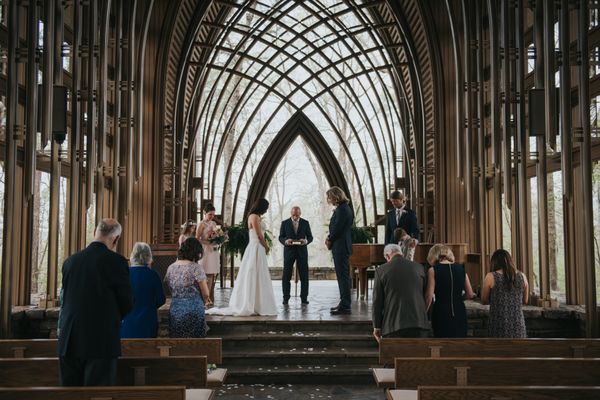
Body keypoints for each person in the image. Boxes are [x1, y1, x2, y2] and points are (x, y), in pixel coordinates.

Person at [57, 218, 132, 386]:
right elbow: (126, 302)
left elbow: (65, 298)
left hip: (69, 340)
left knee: (70, 394)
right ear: (116, 239)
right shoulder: (116, 262)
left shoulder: (70, 262)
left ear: (94, 233)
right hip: (101, 339)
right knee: (98, 394)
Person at [207, 198, 278, 316]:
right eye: (266, 208)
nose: (266, 210)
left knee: (259, 274)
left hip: (257, 247)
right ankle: (252, 303)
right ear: (261, 207)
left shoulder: (255, 216)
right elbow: (259, 235)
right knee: (253, 273)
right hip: (256, 246)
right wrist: (266, 246)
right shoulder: (254, 216)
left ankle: (258, 304)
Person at [372, 244, 430, 342]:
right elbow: (426, 296)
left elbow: (377, 302)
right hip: (419, 324)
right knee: (418, 356)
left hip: (393, 325)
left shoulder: (380, 271)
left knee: (394, 356)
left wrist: (377, 326)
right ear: (401, 253)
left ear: (387, 256)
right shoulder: (419, 267)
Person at [165, 237, 212, 337]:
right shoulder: (196, 268)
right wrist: (207, 301)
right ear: (196, 252)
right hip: (194, 310)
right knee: (195, 342)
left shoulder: (171, 267)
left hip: (175, 310)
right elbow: (206, 293)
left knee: (177, 340)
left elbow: (170, 289)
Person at [425, 244, 475, 337]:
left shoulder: (433, 270)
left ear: (433, 255)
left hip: (441, 311)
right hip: (459, 310)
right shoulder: (461, 269)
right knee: (459, 344)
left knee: (442, 344)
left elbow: (429, 296)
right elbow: (470, 294)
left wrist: (423, 313)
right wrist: (458, 298)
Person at [120, 242, 166, 338]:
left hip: (126, 321)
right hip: (148, 321)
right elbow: (161, 300)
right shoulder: (153, 275)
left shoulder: (124, 274)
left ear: (133, 255)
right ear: (149, 256)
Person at [481, 249, 529, 338]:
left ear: (494, 262)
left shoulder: (490, 276)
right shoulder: (522, 276)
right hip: (517, 323)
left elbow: (484, 300)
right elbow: (525, 301)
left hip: (498, 323)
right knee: (518, 351)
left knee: (497, 350)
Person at [325, 186, 354, 315]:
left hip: (340, 246)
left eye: (329, 197)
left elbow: (337, 228)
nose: (328, 199)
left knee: (342, 276)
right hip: (341, 245)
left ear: (335, 196)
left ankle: (345, 305)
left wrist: (329, 239)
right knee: (342, 276)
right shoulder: (344, 208)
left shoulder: (342, 210)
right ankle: (344, 303)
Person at [278, 206, 313, 305]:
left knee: (304, 276)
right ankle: (285, 298)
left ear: (300, 214)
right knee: (286, 276)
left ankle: (304, 298)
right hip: (289, 252)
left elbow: (310, 237)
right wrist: (285, 241)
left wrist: (305, 241)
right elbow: (280, 237)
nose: (295, 217)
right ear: (291, 213)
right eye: (293, 215)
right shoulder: (284, 223)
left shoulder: (305, 223)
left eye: (297, 215)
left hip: (302, 252)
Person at [196, 203, 221, 301]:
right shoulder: (201, 224)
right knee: (204, 274)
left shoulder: (214, 224)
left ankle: (208, 297)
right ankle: (202, 297)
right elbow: (197, 239)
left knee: (211, 274)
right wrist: (208, 241)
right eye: (210, 214)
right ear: (204, 213)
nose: (212, 216)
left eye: (213, 215)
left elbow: (217, 235)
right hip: (205, 251)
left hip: (213, 251)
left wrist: (219, 239)